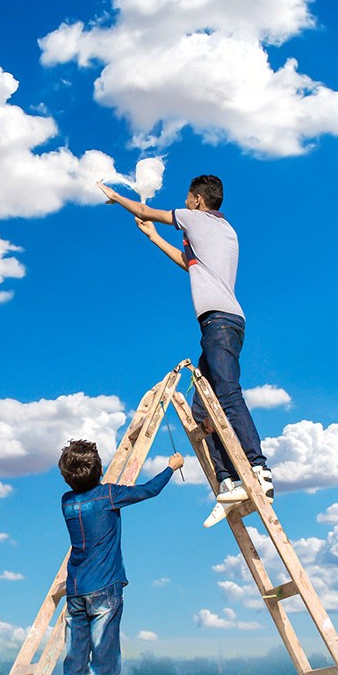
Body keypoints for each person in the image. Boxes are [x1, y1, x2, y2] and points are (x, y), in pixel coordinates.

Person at [96, 174, 273, 509]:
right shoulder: (223, 231)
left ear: (196, 200)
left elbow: (147, 211)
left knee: (228, 393)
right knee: (202, 408)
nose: (185, 203)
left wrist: (115, 196)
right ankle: (228, 480)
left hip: (219, 322)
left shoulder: (195, 217)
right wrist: (153, 238)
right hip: (224, 323)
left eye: (187, 198)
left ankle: (258, 468)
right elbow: (189, 265)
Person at [57, 438, 183, 675]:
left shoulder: (66, 502)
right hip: (105, 590)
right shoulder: (109, 496)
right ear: (99, 470)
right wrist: (171, 467)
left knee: (74, 665)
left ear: (66, 476)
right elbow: (148, 490)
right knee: (103, 664)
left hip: (75, 592)